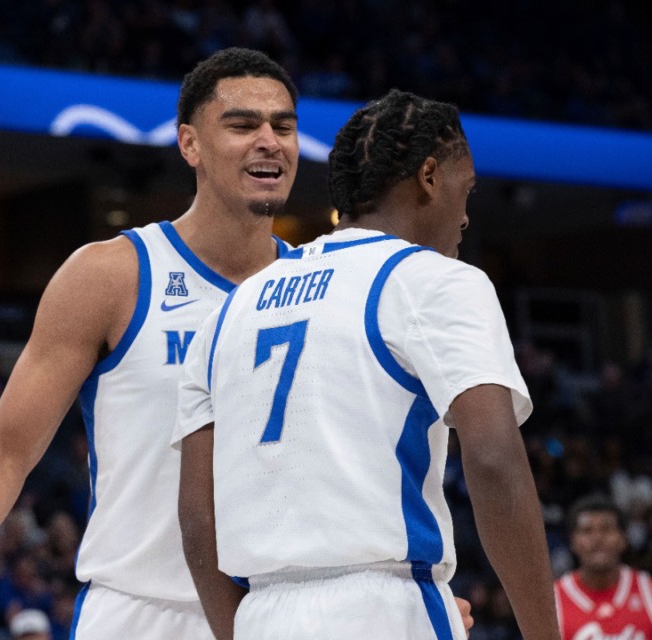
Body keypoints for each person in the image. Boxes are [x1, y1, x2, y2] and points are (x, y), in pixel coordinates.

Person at [0, 49, 472, 640]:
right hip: (140, 611)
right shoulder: (113, 275)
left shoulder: (323, 287)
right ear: (189, 144)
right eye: (242, 125)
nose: (269, 140)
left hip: (271, 616)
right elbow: (6, 451)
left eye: (283, 126)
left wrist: (406, 600)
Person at [174, 88, 559, 639]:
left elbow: (196, 521)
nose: (467, 216)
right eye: (465, 190)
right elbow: (494, 457)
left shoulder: (227, 312)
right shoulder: (436, 280)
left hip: (259, 613)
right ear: (429, 176)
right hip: (384, 608)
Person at [554, 494, 652, 639]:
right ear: (573, 542)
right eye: (587, 531)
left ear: (623, 538)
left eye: (606, 529)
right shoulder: (553, 601)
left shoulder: (651, 592)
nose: (597, 538)